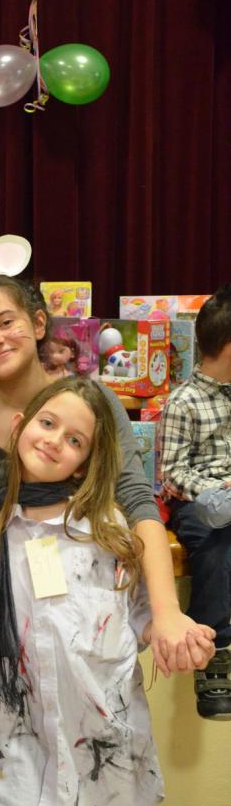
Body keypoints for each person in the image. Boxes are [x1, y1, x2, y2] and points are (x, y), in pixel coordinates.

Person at [0, 273, 215, 806]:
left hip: (94, 697)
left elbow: (137, 513)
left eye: (5, 321)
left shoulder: (101, 507)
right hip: (3, 666)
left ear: (38, 323)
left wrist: (169, 616)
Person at [0, 377, 164, 806]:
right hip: (20, 732)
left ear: (85, 463)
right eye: (48, 423)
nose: (55, 441)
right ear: (19, 427)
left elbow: (138, 612)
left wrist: (170, 632)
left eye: (75, 440)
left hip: (102, 732)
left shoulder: (108, 530)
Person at [160, 285, 231, 719]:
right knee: (216, 544)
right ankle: (215, 646)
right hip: (199, 501)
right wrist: (217, 491)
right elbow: (172, 473)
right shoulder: (183, 401)